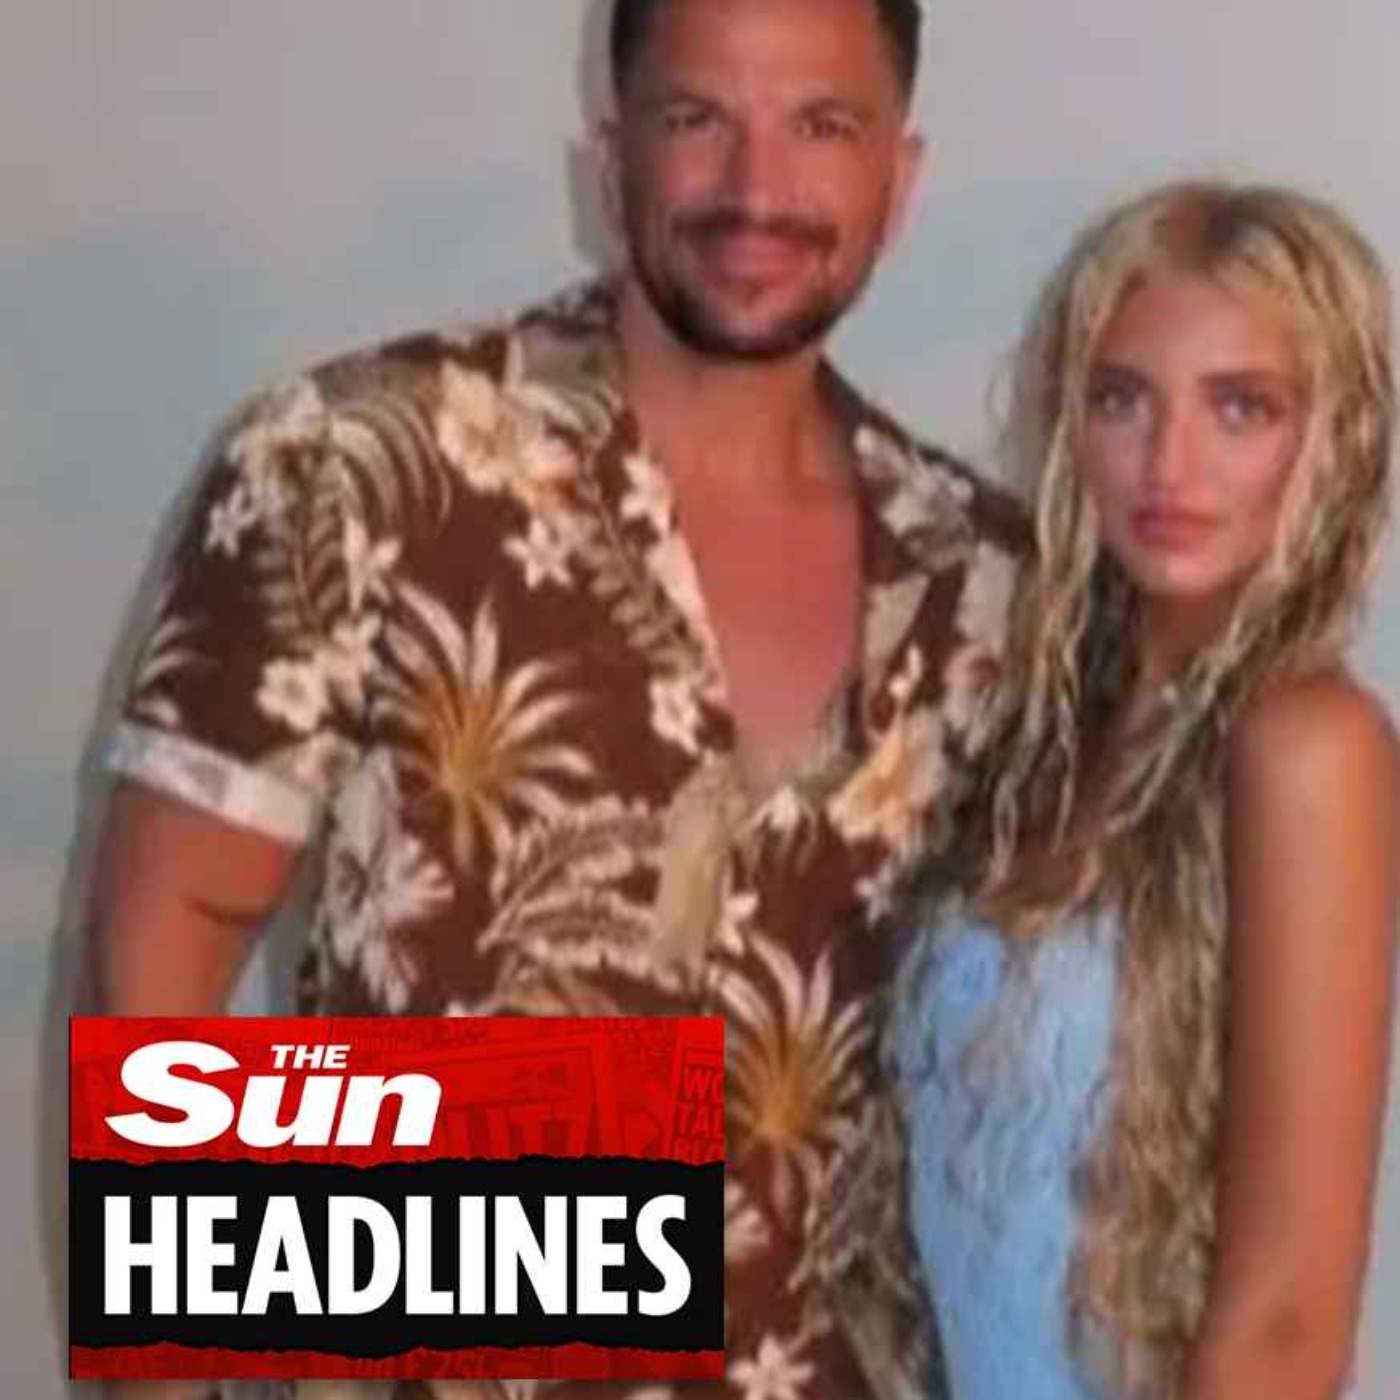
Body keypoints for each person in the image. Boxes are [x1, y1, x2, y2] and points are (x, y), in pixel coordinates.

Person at [88, 1, 1025, 1397]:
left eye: (821, 125)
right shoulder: (356, 467)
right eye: (696, 118)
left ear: (901, 176)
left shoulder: (987, 581)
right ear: (609, 152)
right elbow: (160, 957)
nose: (755, 187)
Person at [891, 179, 1400, 1399]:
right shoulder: (1042, 730)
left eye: (1238, 407)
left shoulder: (1305, 743)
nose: (1167, 464)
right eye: (1122, 399)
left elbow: (1285, 1321)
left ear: (1332, 432)